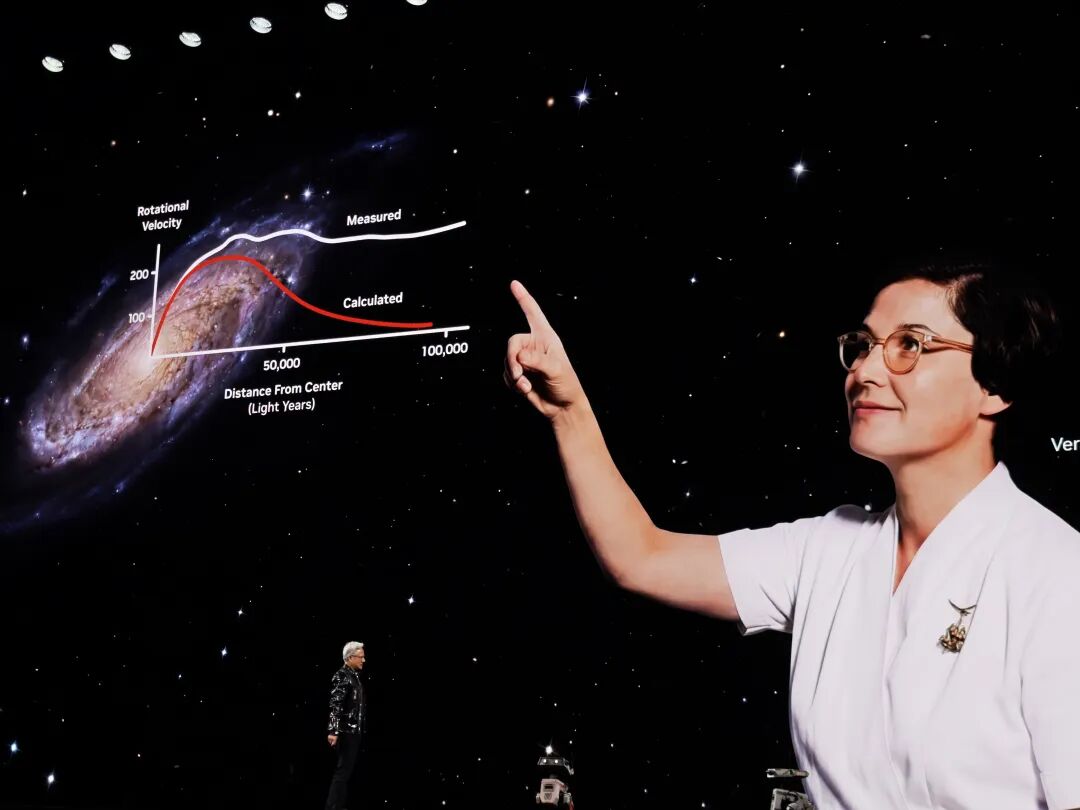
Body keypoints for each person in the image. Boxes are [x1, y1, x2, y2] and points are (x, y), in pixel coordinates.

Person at [503, 263, 1080, 810]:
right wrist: (569, 412)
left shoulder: (1056, 573)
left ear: (995, 384)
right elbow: (641, 556)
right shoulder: (831, 548)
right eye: (864, 345)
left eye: (910, 344)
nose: (865, 371)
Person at [325, 641, 367, 810]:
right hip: (346, 732)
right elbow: (336, 704)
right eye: (361, 657)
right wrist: (333, 731)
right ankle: (333, 806)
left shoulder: (353, 676)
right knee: (342, 772)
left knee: (347, 772)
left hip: (353, 731)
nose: (363, 660)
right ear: (350, 658)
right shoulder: (343, 675)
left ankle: (339, 805)